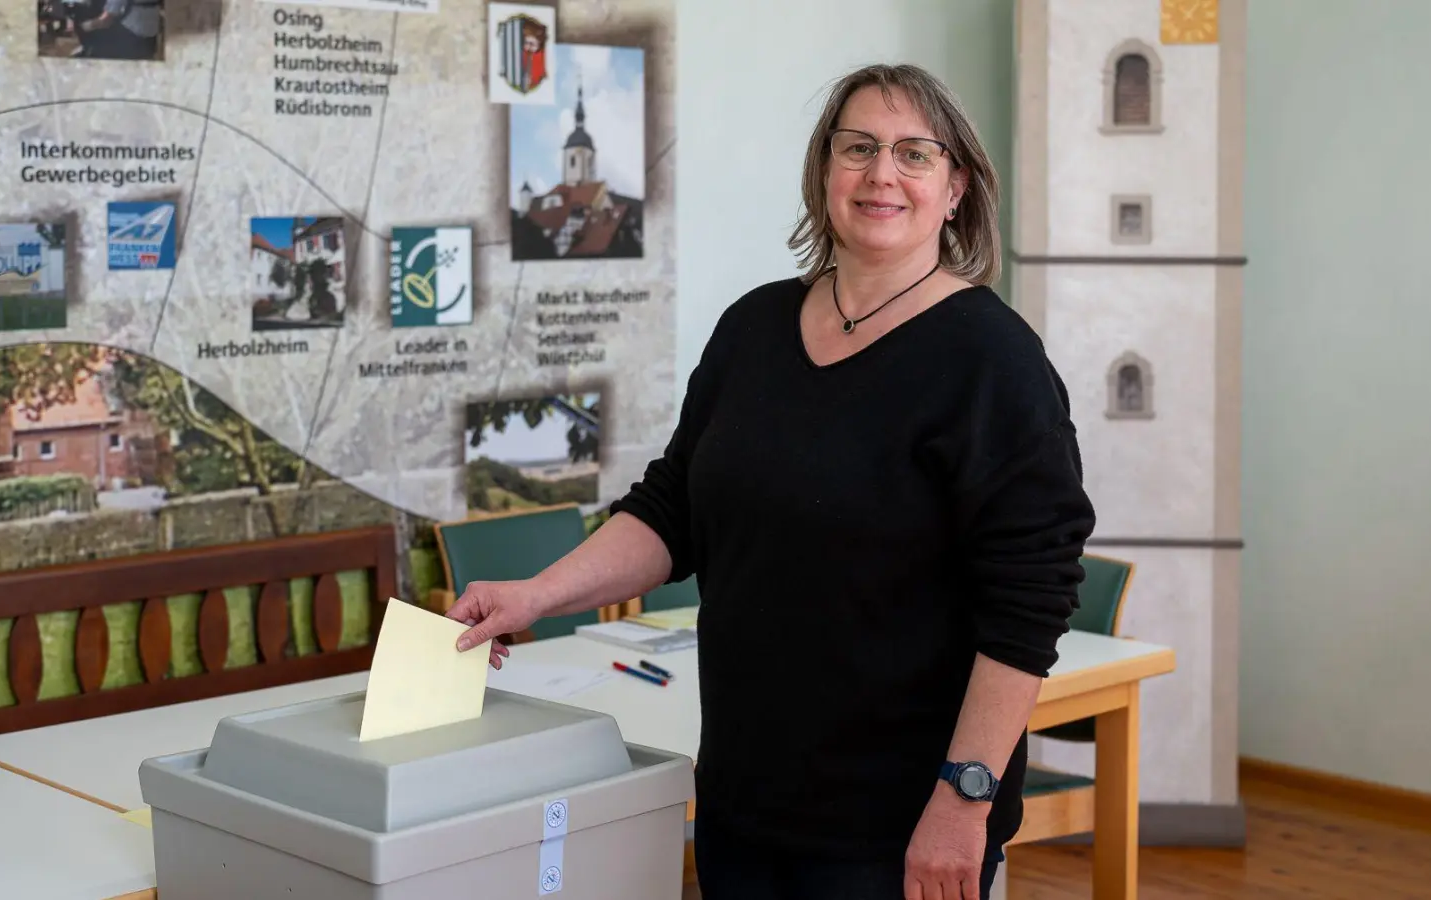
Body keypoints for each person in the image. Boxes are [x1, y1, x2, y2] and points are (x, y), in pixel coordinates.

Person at [448, 62, 1096, 900]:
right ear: (824, 169)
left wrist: (962, 802)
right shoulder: (753, 328)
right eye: (857, 148)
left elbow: (1029, 603)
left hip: (897, 825)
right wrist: (538, 593)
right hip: (743, 801)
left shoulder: (992, 363)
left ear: (956, 186)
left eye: (914, 154)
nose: (881, 174)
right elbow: (672, 506)